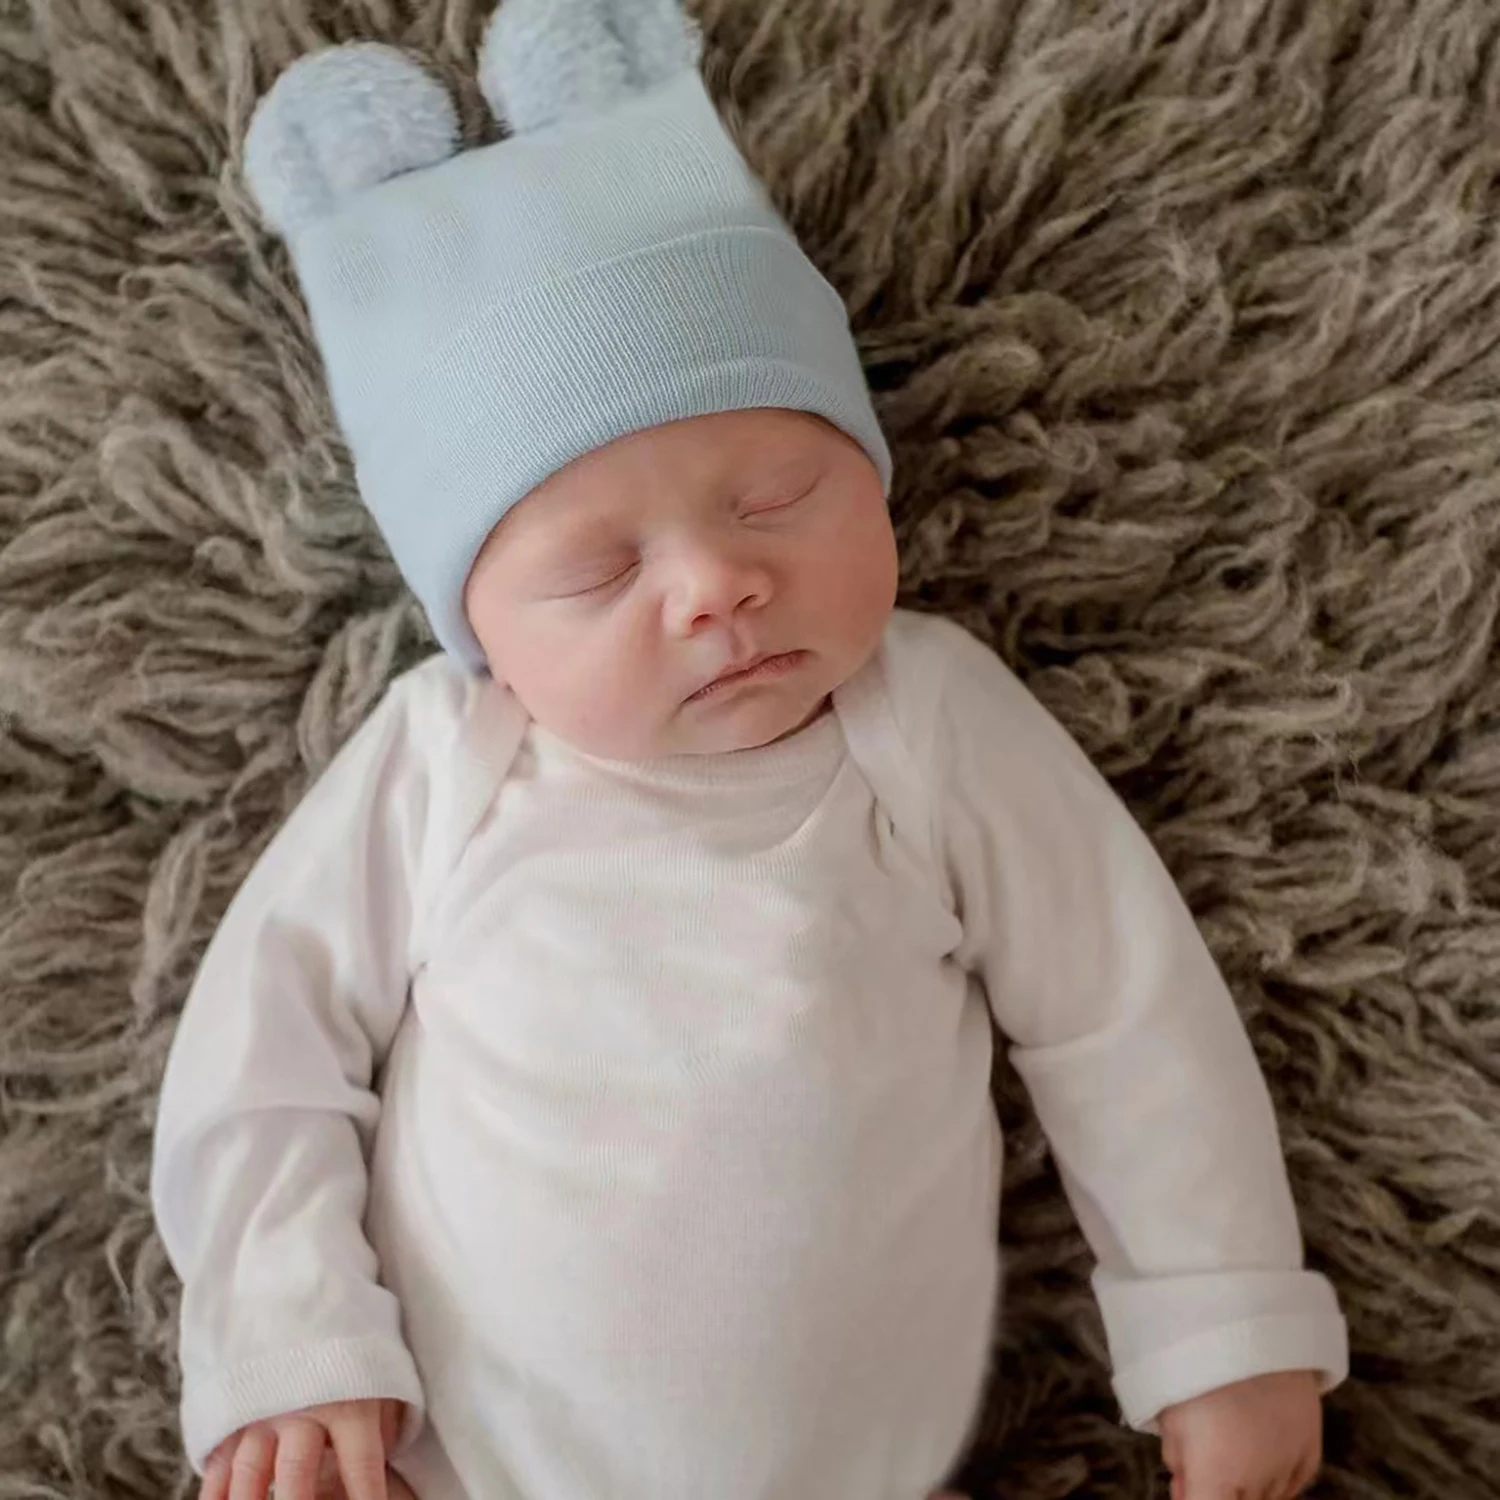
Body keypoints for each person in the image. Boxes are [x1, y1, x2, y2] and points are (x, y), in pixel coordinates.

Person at [150, 2, 1349, 1498]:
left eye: (779, 494)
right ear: (480, 630)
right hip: (450, 1457)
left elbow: (1123, 1008)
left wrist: (1224, 1321)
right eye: (595, 574)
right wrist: (287, 1340)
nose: (715, 583)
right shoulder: (449, 758)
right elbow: (264, 1047)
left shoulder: (925, 716)